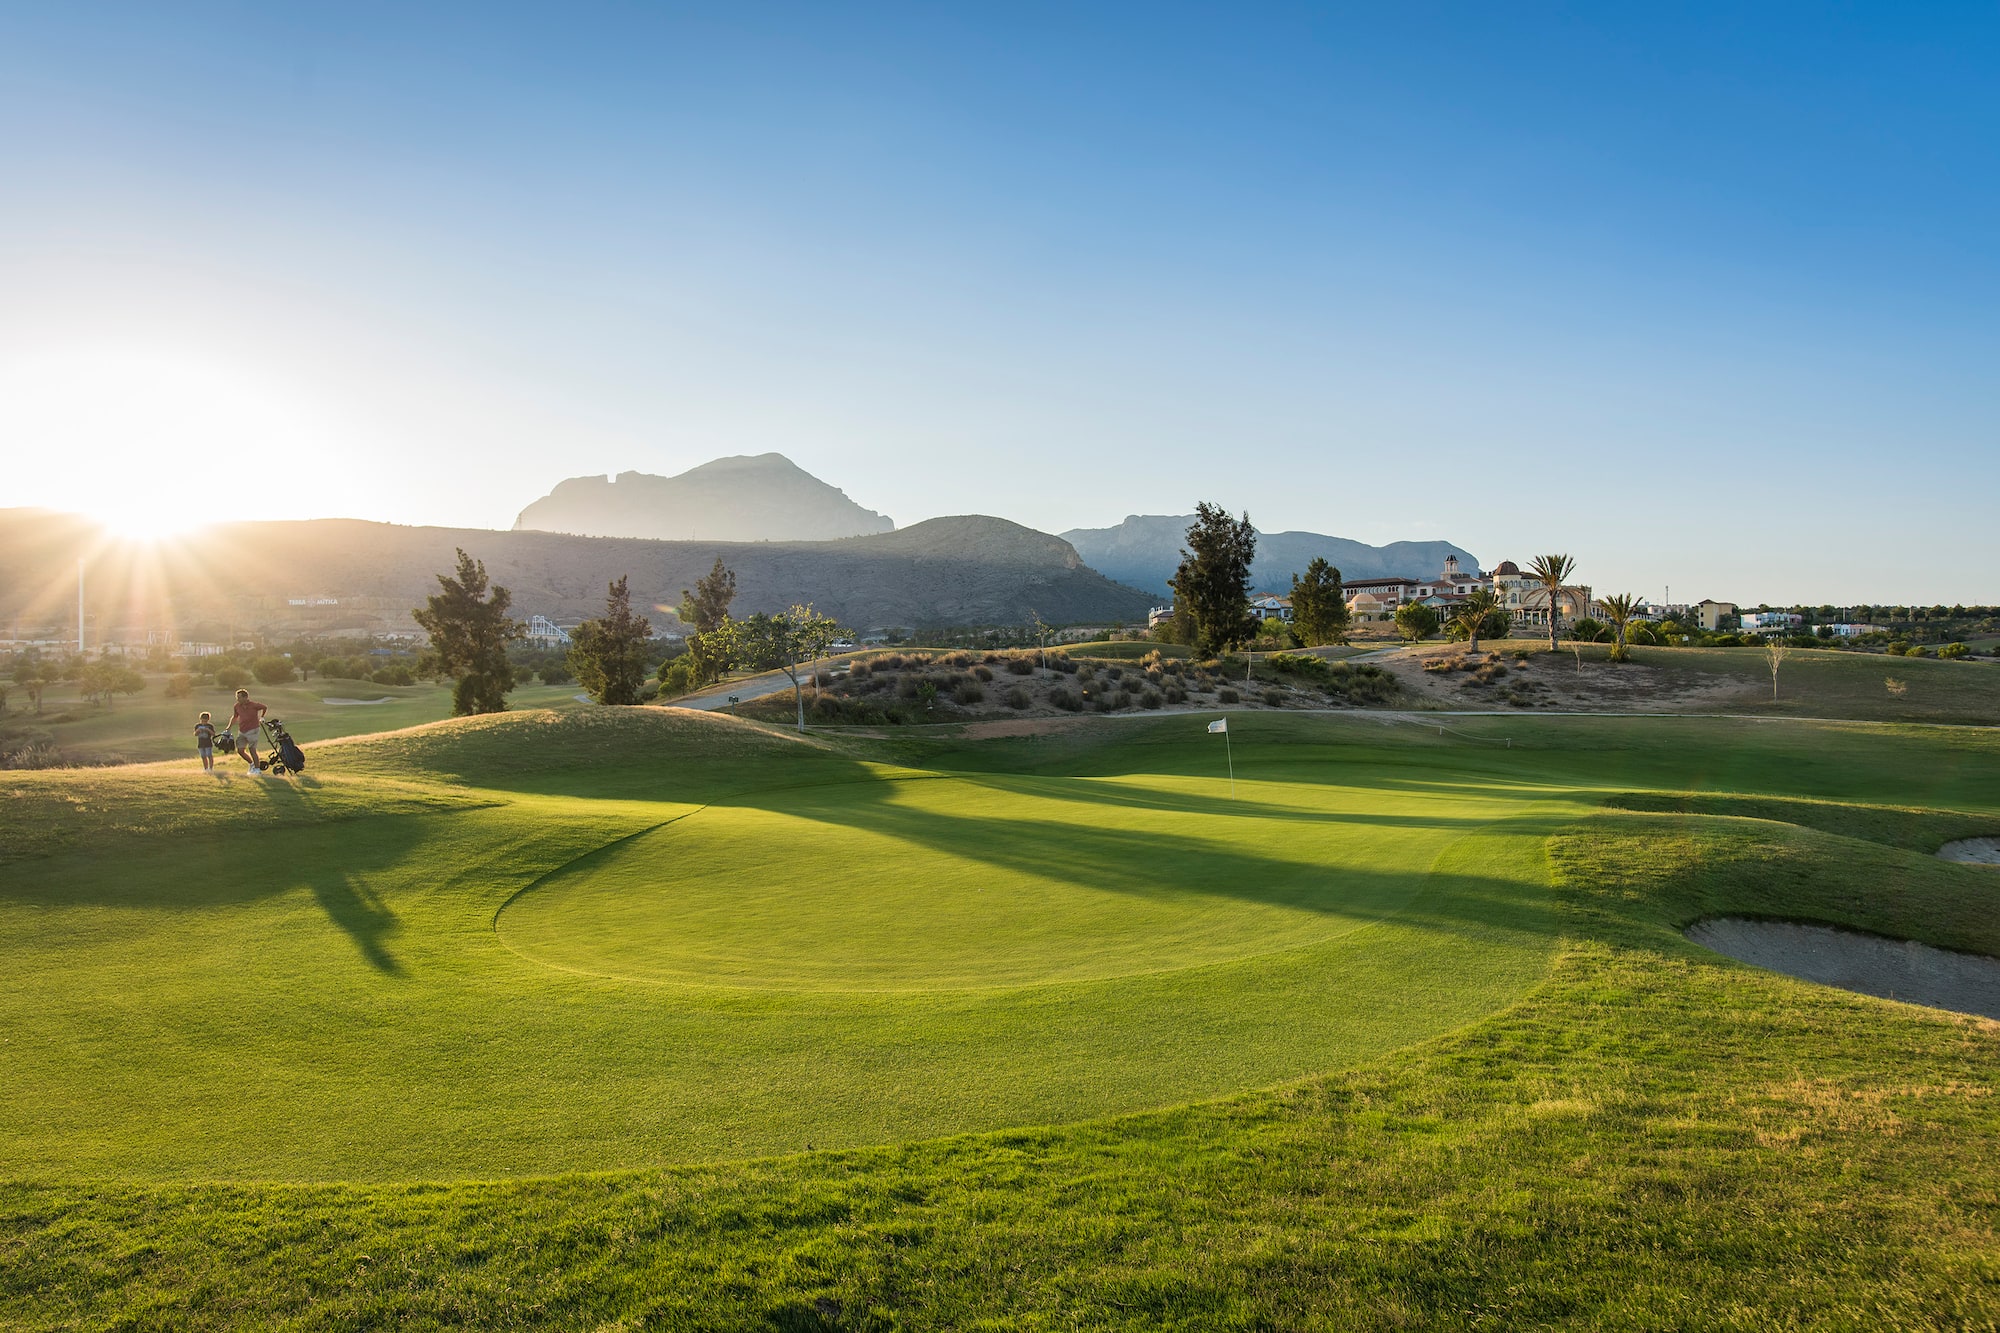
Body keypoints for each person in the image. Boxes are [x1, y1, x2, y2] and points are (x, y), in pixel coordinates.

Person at [230, 688, 268, 772]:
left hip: (253, 729)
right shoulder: (236, 706)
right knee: (240, 750)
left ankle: (257, 769)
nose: (238, 699)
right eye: (237, 697)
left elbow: (264, 707)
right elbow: (235, 716)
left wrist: (262, 717)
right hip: (242, 730)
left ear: (245, 697)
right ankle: (252, 764)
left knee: (252, 749)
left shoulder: (254, 705)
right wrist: (228, 727)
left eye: (239, 697)